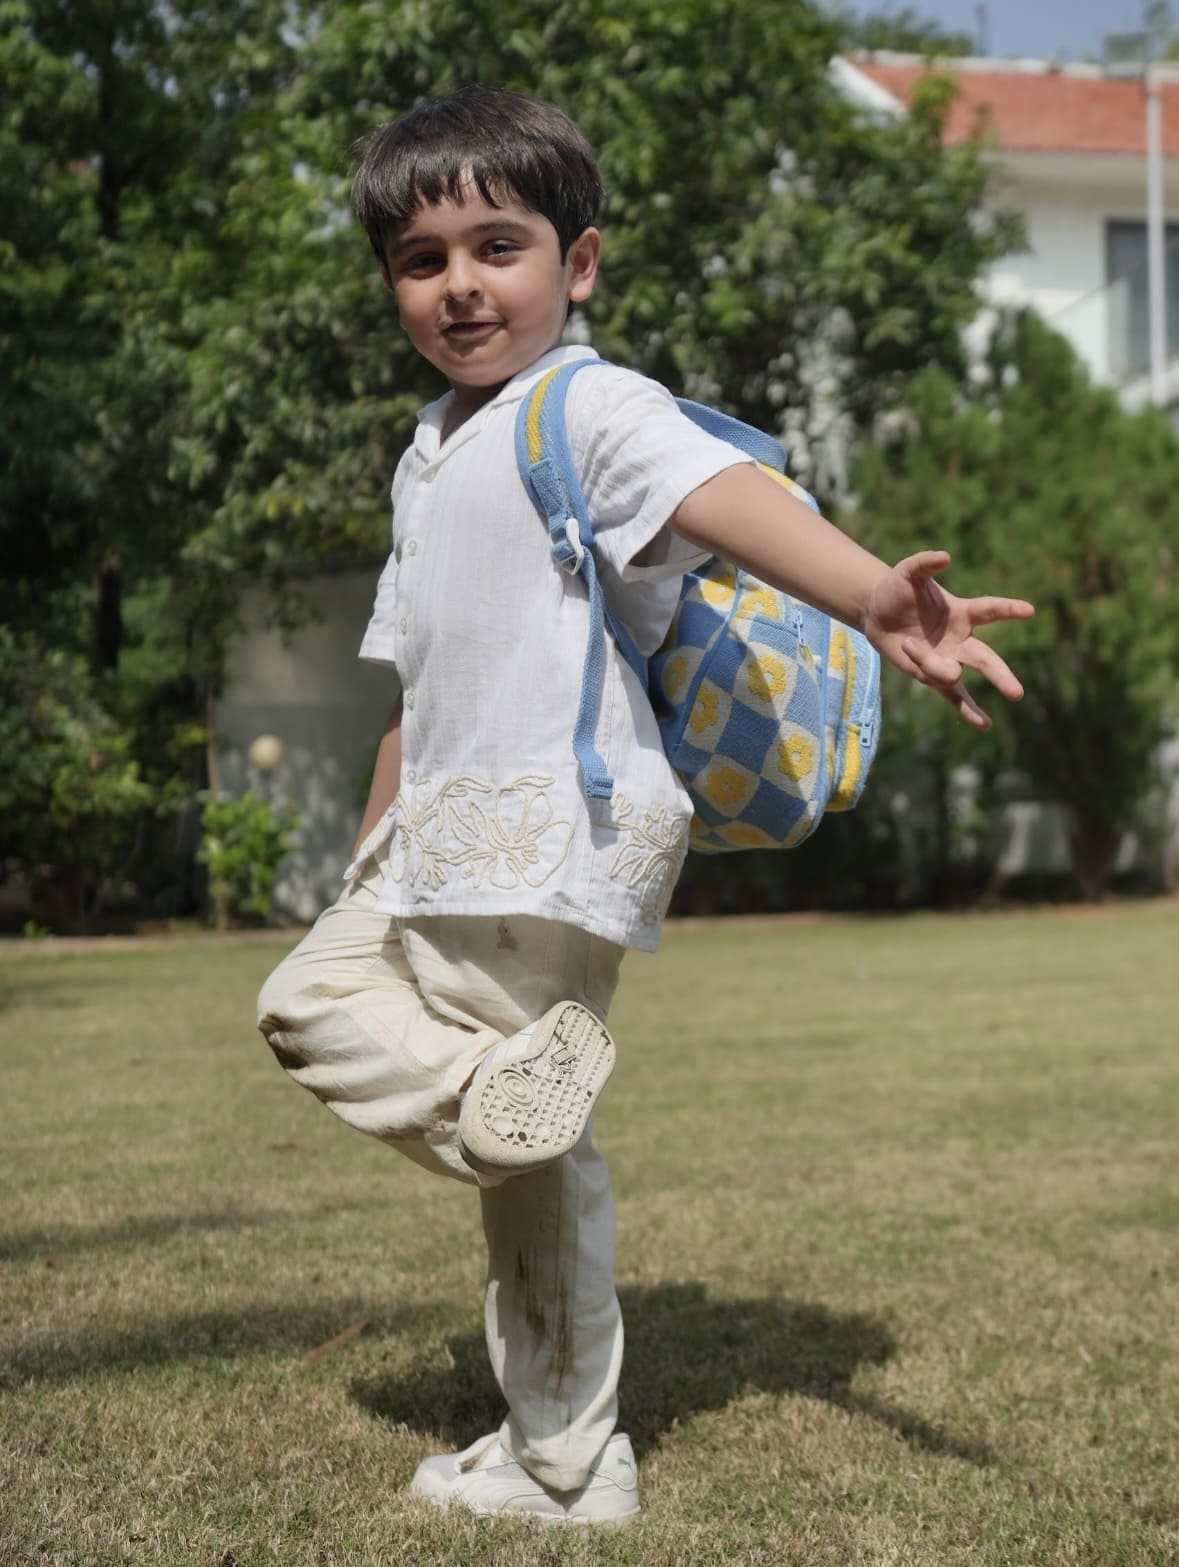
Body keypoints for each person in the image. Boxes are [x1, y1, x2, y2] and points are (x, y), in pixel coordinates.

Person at [256, 87, 1033, 1526]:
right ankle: (556, 1428)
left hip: (548, 828)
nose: (462, 284)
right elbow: (416, 687)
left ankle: (562, 1441)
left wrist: (874, 596)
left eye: (499, 245)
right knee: (365, 1035)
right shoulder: (430, 452)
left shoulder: (587, 404)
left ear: (582, 261)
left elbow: (727, 492)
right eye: (423, 261)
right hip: (433, 830)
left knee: (444, 1110)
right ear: (391, 286)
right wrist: (372, 844)